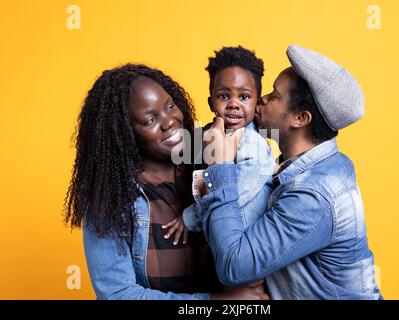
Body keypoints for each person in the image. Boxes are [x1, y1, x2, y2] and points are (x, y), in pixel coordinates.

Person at [64, 63, 269, 300]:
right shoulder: (111, 198)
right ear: (125, 133)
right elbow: (117, 294)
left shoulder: (212, 162)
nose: (169, 121)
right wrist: (215, 302)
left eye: (170, 106)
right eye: (150, 120)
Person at [196, 45, 382, 300]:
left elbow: (233, 266)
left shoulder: (313, 194)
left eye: (273, 95)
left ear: (300, 119)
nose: (261, 99)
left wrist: (221, 166)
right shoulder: (304, 168)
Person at [161, 46, 275, 244]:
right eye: (224, 96)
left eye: (244, 97)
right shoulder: (206, 135)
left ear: (257, 103)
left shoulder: (252, 144)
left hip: (244, 241)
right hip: (218, 237)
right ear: (211, 102)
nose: (233, 103)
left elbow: (235, 194)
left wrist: (190, 217)